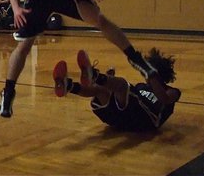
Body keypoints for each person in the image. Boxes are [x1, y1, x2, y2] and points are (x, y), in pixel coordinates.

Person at [0, 0, 159, 118]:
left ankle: (136, 59)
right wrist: (16, 9)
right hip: (38, 1)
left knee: (100, 20)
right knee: (24, 45)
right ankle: (8, 91)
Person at [53, 48, 181, 131]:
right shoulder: (141, 86)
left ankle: (95, 76)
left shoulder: (172, 91)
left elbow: (164, 99)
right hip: (120, 121)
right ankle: (68, 86)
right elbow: (124, 99)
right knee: (101, 89)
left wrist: (151, 74)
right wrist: (110, 79)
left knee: (123, 85)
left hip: (146, 122)